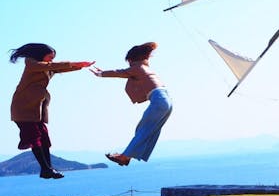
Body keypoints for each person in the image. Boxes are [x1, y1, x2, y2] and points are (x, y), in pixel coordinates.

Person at [9, 43, 94, 179]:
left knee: (44, 136)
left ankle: (48, 169)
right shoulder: (31, 63)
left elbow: (57, 68)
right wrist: (73, 63)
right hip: (23, 107)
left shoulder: (47, 67)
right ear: (41, 55)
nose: (51, 60)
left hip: (37, 108)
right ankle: (45, 169)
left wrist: (80, 66)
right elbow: (49, 66)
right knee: (35, 137)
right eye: (50, 57)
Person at [90, 42, 172, 166]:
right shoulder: (145, 67)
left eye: (128, 61)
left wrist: (101, 74)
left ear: (132, 59)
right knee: (147, 129)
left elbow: (119, 72)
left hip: (159, 100)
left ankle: (125, 156)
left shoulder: (137, 67)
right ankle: (128, 155)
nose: (128, 64)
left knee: (144, 129)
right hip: (167, 101)